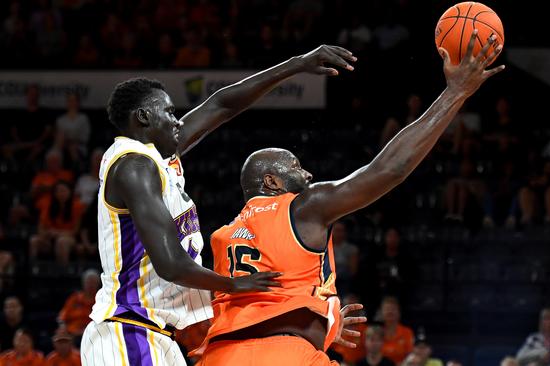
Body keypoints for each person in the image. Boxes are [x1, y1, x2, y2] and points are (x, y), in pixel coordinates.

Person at [198, 31, 504, 365]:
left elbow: (262, 304)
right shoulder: (303, 207)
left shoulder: (222, 235)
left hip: (220, 356)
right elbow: (390, 169)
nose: (307, 175)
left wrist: (323, 322)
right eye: (296, 167)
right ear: (271, 181)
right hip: (285, 355)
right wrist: (455, 93)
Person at [80, 44, 357, 366]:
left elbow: (222, 105)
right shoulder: (134, 165)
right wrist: (232, 284)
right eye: (169, 113)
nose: (178, 121)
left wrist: (296, 65)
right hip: (128, 331)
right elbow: (171, 264)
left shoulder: (159, 161)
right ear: (143, 117)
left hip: (157, 336)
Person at [58, 269, 101, 340]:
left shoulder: (101, 300)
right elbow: (62, 318)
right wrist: (63, 329)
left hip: (93, 336)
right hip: (72, 335)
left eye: (93, 282)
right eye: (89, 282)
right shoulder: (74, 298)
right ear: (83, 283)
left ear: (98, 284)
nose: (91, 285)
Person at [379, 296, 415, 365]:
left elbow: (411, 356)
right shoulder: (377, 332)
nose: (390, 311)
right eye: (387, 309)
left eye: (393, 309)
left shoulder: (407, 332)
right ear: (381, 313)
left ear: (399, 313)